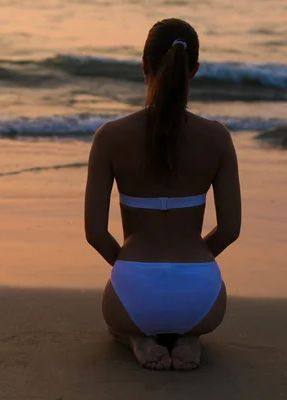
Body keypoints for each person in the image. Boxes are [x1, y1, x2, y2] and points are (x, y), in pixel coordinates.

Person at [84, 18, 241, 371]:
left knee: (116, 325)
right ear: (194, 70)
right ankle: (189, 336)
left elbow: (95, 233)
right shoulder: (217, 138)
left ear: (144, 65)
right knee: (192, 319)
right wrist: (195, 256)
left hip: (133, 293)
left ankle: (137, 337)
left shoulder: (110, 137)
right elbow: (230, 229)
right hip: (201, 296)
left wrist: (132, 266)